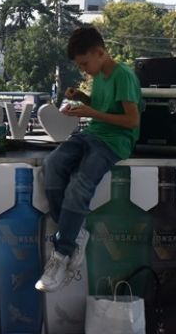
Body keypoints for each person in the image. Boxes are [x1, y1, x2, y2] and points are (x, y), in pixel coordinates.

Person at [36, 25, 142, 292]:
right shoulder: (101, 75)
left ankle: (62, 253)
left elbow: (131, 120)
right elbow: (103, 105)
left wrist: (90, 113)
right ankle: (74, 232)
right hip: (93, 134)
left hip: (114, 142)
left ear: (100, 53)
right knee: (52, 165)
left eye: (85, 64)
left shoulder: (123, 76)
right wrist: (83, 99)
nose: (84, 70)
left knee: (79, 185)